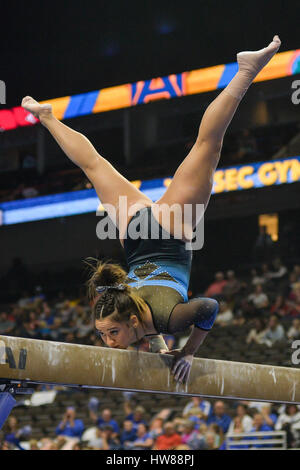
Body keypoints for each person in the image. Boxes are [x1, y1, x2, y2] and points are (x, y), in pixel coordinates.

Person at [22, 36, 281, 384]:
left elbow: (204, 310)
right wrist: (164, 348)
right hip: (137, 233)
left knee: (208, 146)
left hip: (169, 232)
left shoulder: (166, 320)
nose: (108, 342)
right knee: (96, 166)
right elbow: (172, 313)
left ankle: (247, 72)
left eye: (107, 334)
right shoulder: (128, 302)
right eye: (108, 335)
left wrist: (188, 352)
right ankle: (48, 118)